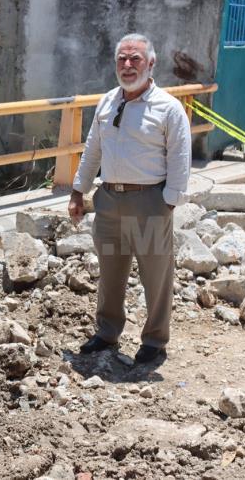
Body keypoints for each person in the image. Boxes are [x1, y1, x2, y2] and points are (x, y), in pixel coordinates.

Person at [68, 33, 191, 363]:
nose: (127, 65)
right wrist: (79, 191)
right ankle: (107, 332)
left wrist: (169, 202)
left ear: (150, 64)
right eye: (122, 58)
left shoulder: (168, 108)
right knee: (110, 272)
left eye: (135, 58)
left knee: (155, 275)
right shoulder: (107, 101)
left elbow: (180, 156)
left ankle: (154, 341)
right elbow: (93, 148)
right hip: (109, 202)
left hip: (149, 202)